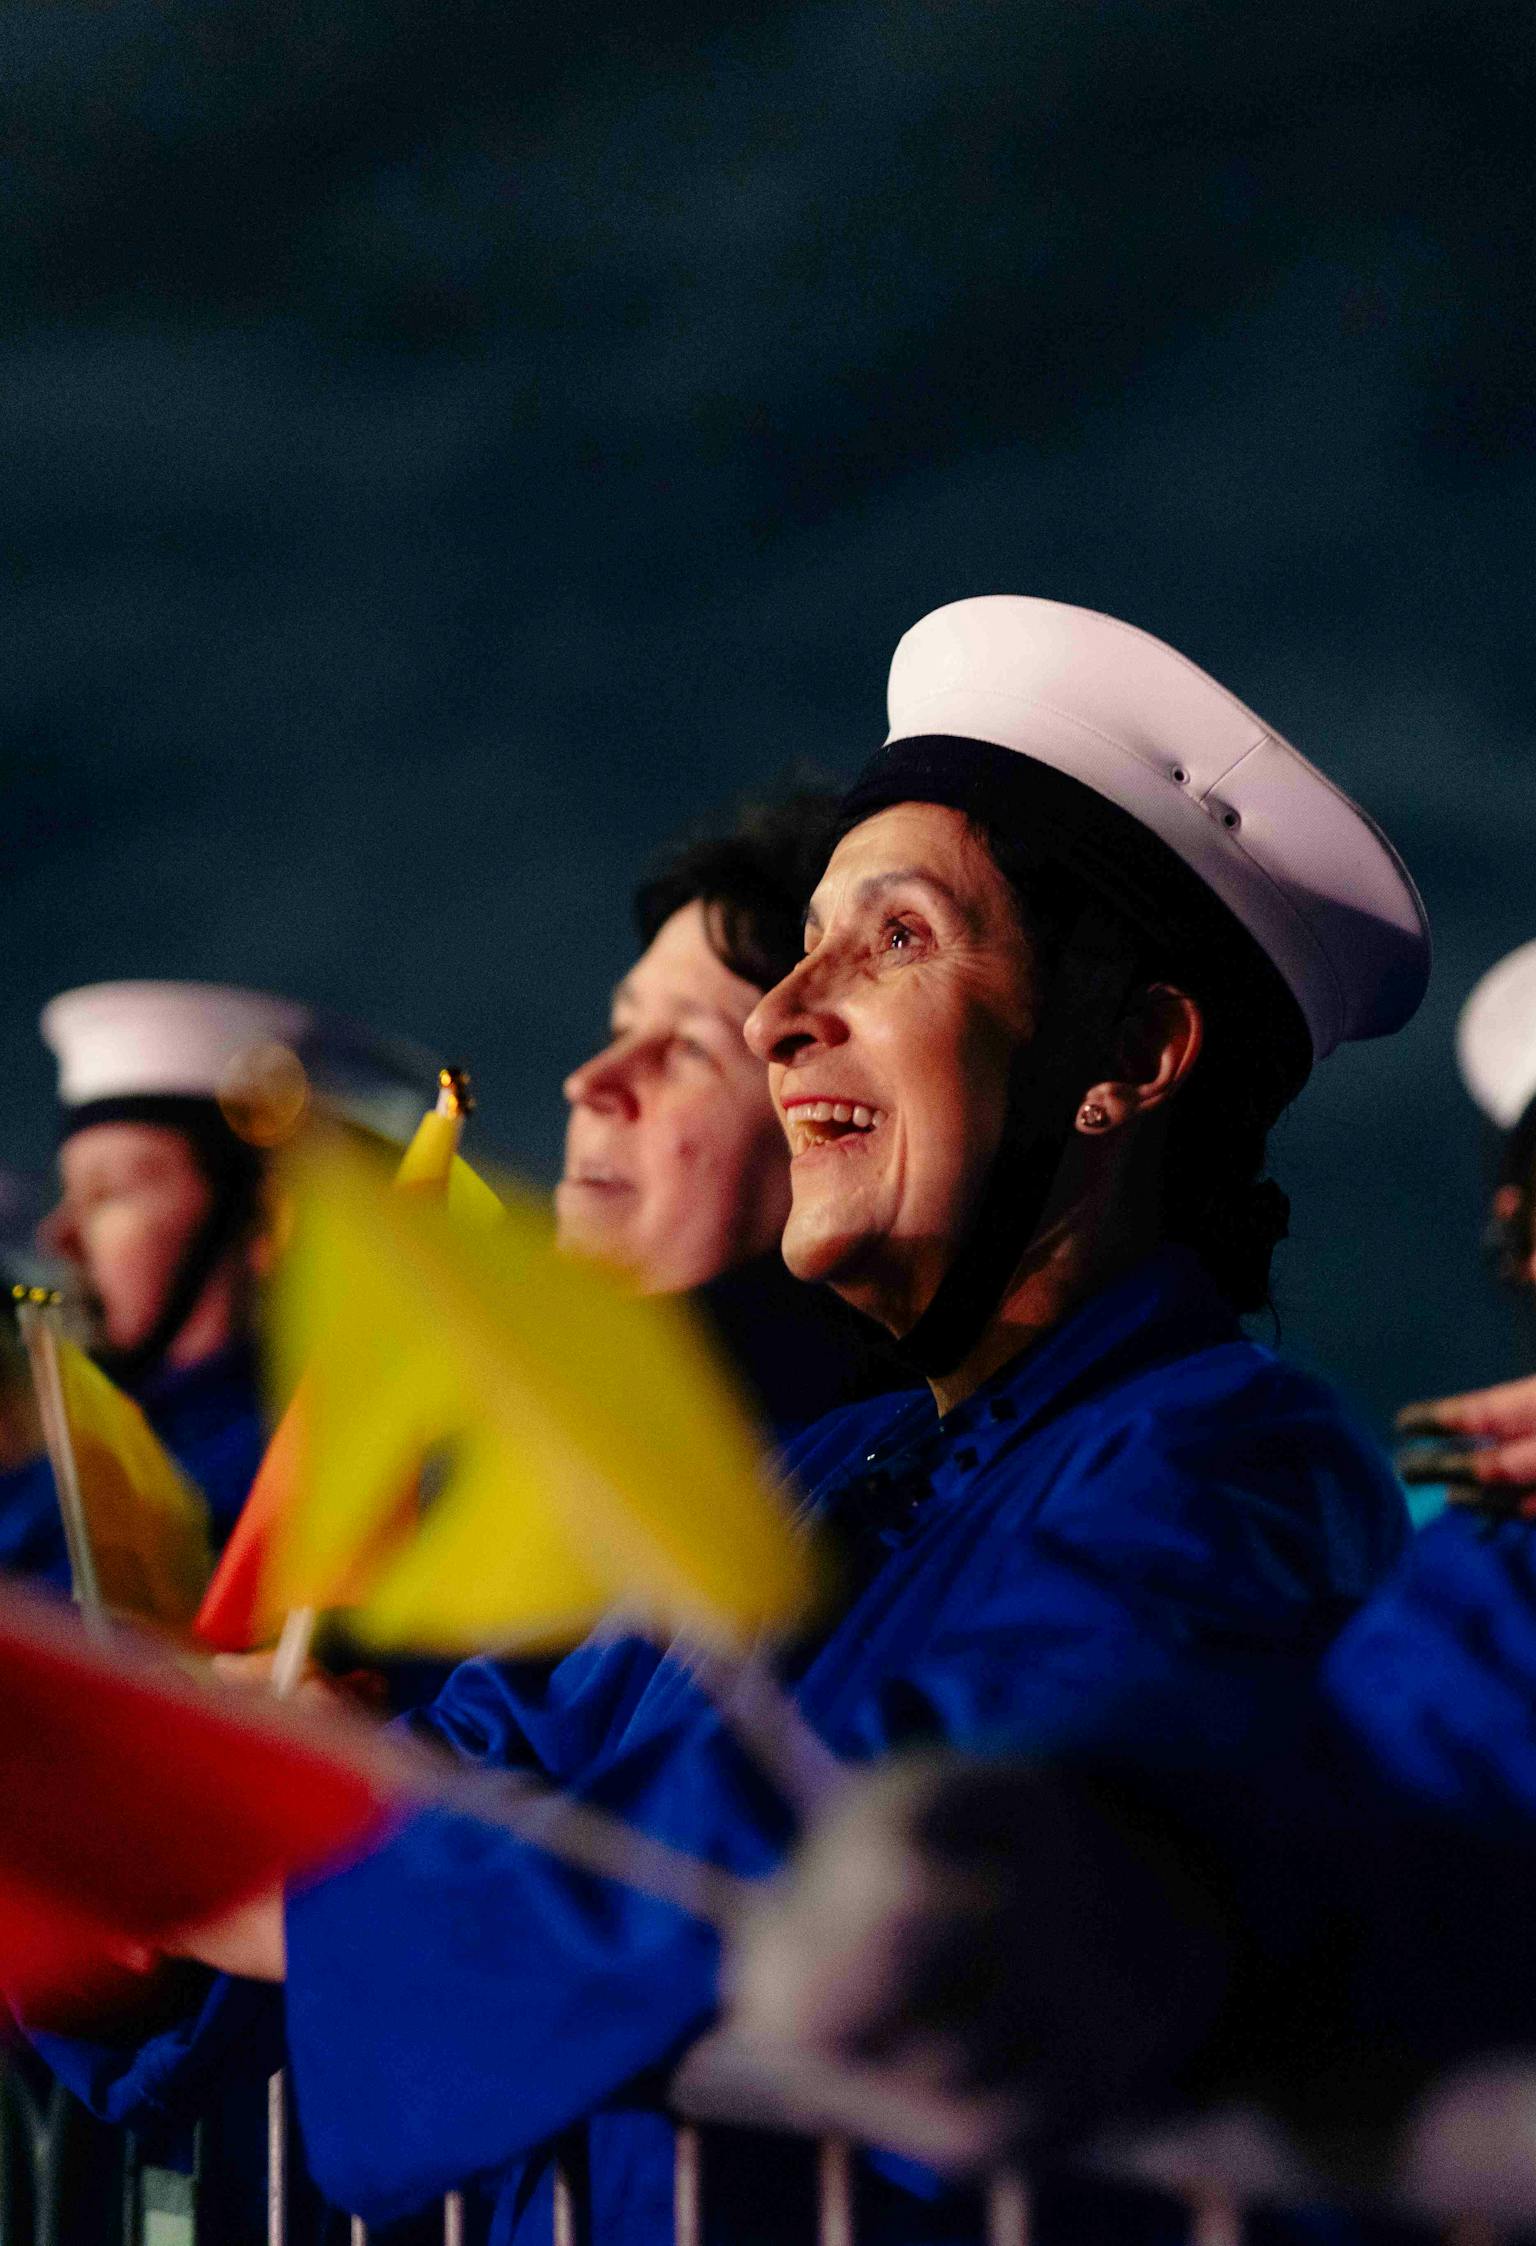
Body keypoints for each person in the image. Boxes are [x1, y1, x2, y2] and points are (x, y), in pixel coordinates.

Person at [30, 596, 1428, 2246]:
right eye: (810, 944)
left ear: (1133, 1048)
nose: (782, 1015)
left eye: (896, 939)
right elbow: (469, 1773)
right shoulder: (820, 1476)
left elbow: (888, 1839)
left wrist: (304, 1881)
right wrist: (167, 1818)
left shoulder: (1244, 1467)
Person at [557, 790, 888, 1438]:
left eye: (689, 1048)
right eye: (618, 1027)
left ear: (822, 1126)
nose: (587, 1083)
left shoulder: (825, 1500)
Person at [0, 982, 310, 1588]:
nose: (57, 1237)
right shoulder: (57, 1485)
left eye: (110, 1194)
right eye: (69, 1193)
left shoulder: (302, 1483)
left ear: (264, 1219)